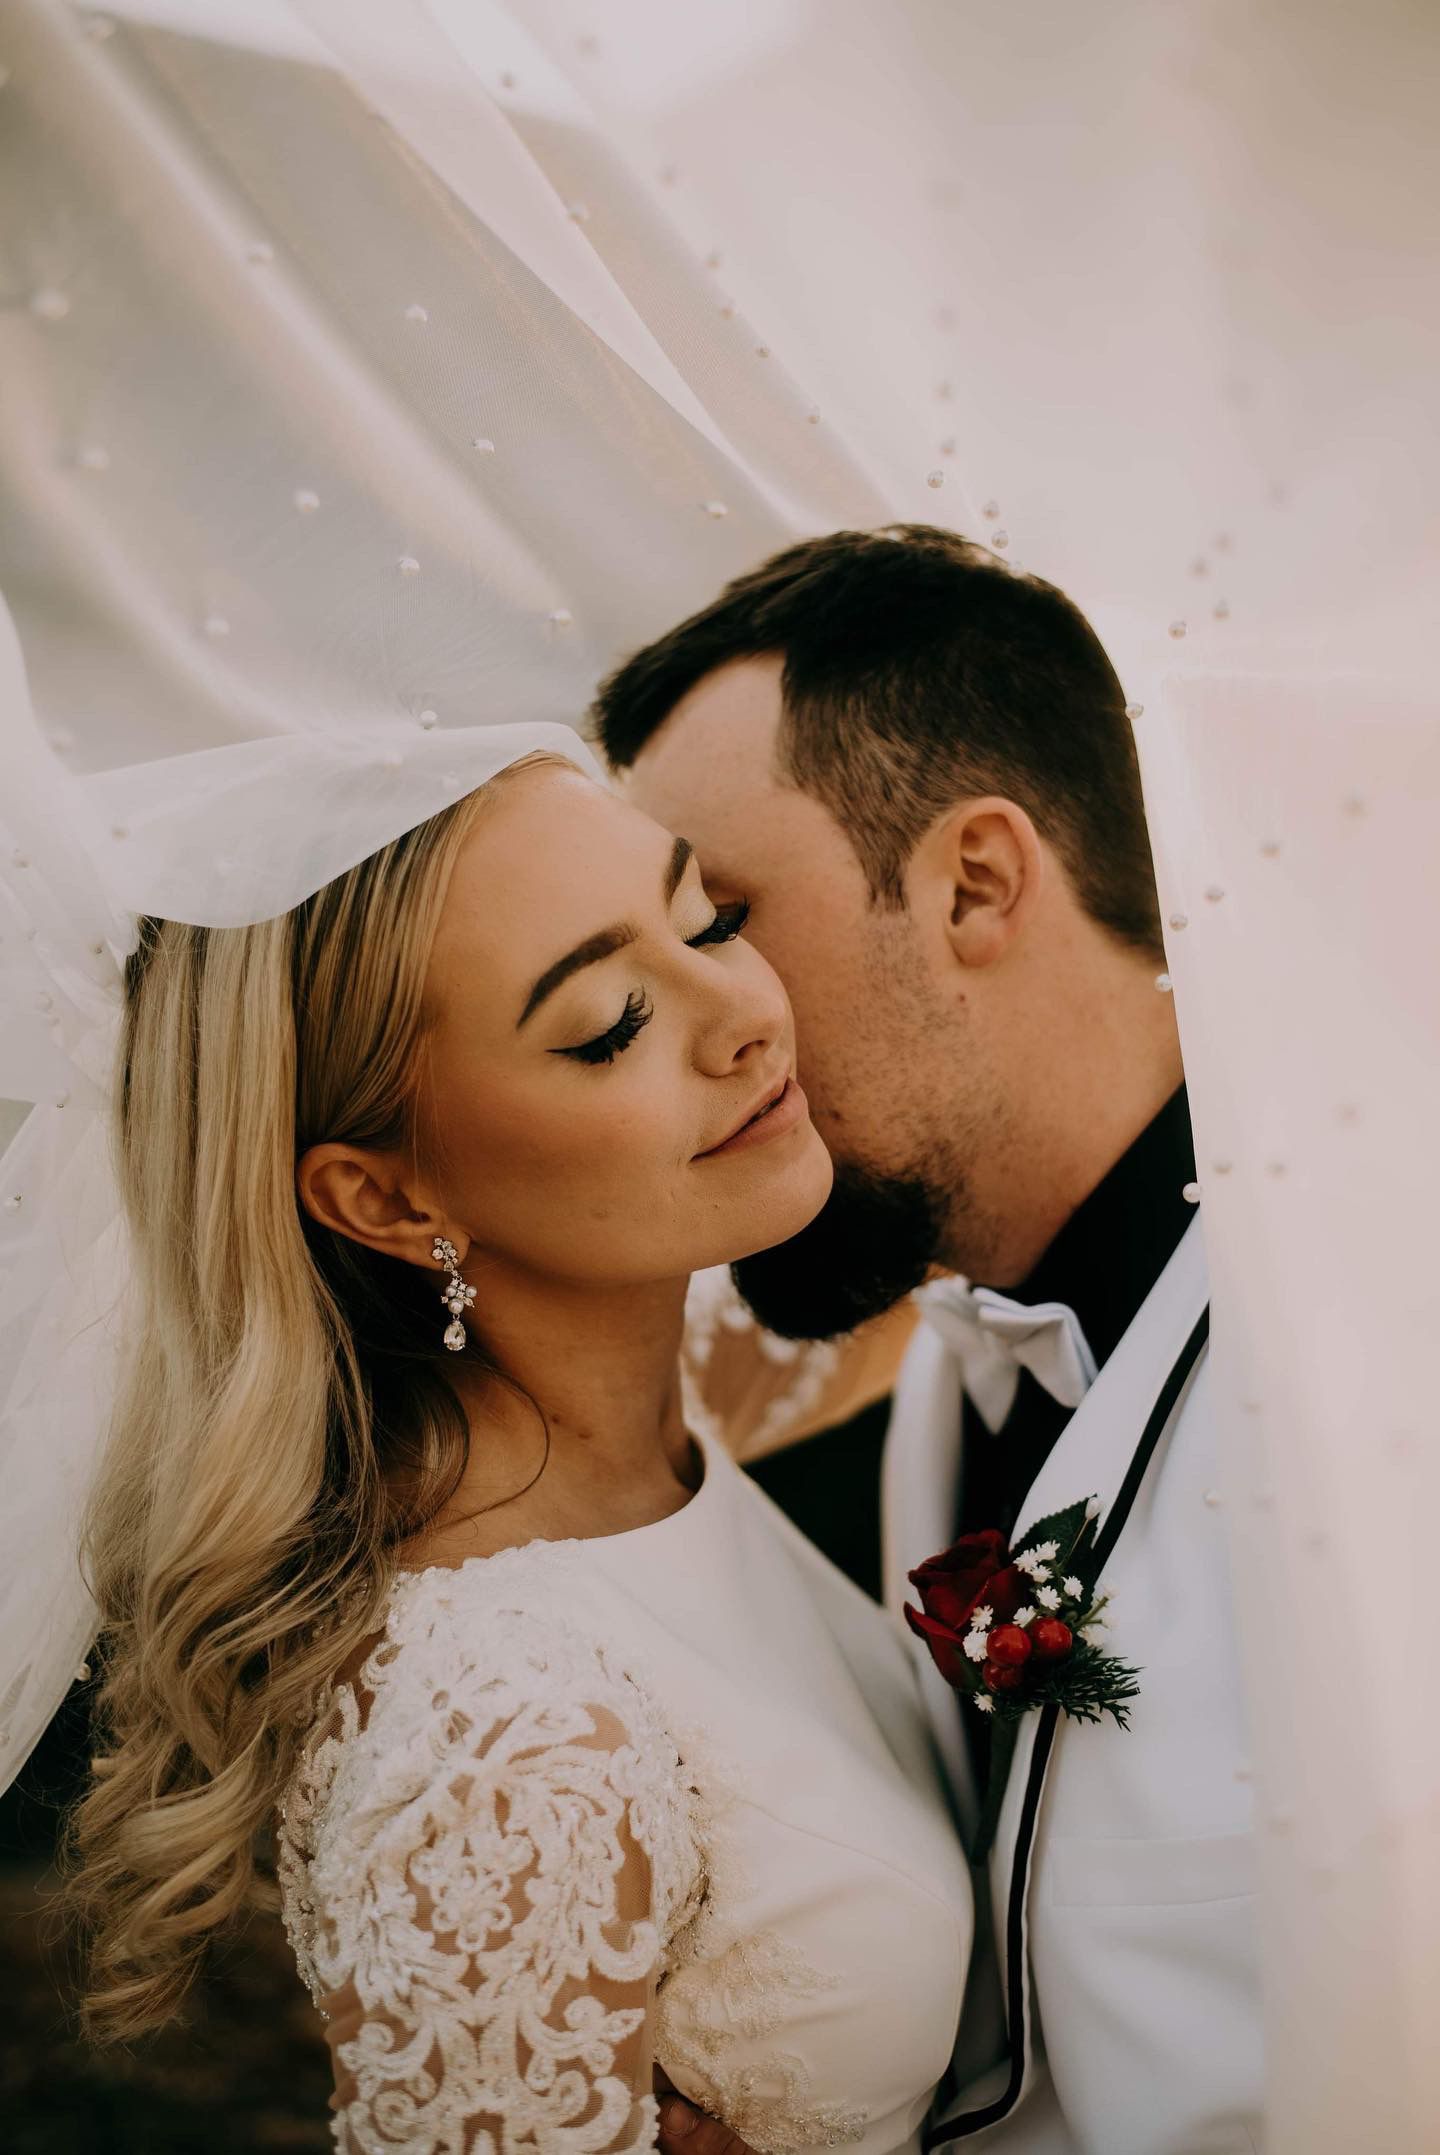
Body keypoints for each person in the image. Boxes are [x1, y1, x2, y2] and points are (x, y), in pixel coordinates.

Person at [37, 715, 973, 2155]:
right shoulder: (505, 1735)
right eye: (609, 1025)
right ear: (389, 1201)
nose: (746, 1017)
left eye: (709, 920)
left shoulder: (660, 1433)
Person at [598, 525, 1260, 2155]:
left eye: (728, 919)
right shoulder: (941, 1389)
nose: (711, 1026)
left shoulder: (1375, 1392)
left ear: (975, 878)